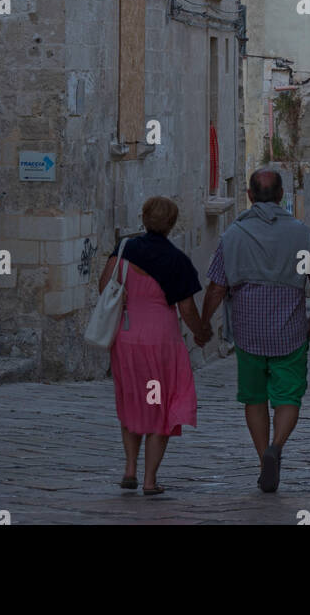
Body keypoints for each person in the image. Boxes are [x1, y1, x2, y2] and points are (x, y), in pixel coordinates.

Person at [200, 169, 310, 493]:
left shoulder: (234, 236)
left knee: (254, 399)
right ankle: (277, 446)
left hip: (249, 334)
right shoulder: (301, 234)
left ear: (250, 195)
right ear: (282, 194)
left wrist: (203, 324)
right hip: (290, 332)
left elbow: (216, 288)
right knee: (288, 397)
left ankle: (262, 460)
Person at [99, 195, 211, 497]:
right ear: (171, 224)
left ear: (144, 218)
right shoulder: (177, 261)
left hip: (126, 339)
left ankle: (130, 469)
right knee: (158, 406)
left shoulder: (123, 249)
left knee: (132, 401)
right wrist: (202, 332)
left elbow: (105, 286)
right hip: (160, 343)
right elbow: (187, 310)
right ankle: (149, 480)